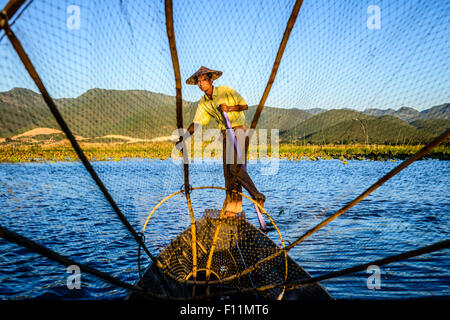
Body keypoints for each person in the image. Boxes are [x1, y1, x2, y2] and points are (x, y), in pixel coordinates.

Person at [176, 66, 265, 218]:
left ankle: (257, 195)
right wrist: (184, 136)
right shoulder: (203, 102)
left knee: (234, 168)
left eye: (203, 80)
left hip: (238, 131)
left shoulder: (225, 90)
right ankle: (233, 209)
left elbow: (244, 105)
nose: (200, 84)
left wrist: (229, 108)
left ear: (210, 80)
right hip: (225, 135)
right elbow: (197, 122)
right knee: (228, 174)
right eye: (198, 81)